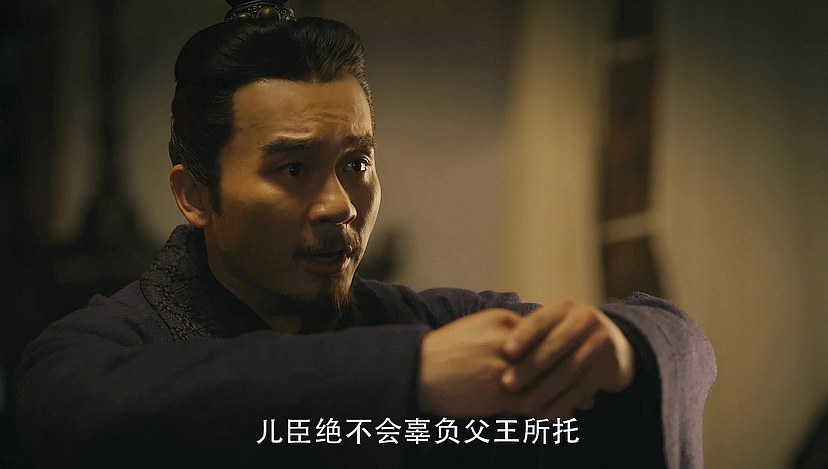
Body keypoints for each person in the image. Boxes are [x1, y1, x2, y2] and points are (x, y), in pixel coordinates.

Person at [15, 1, 716, 468]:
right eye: (292, 169)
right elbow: (79, 413)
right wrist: (410, 375)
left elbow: (678, 339)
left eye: (356, 164)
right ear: (195, 195)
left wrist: (618, 347)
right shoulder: (102, 350)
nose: (337, 205)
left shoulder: (416, 323)